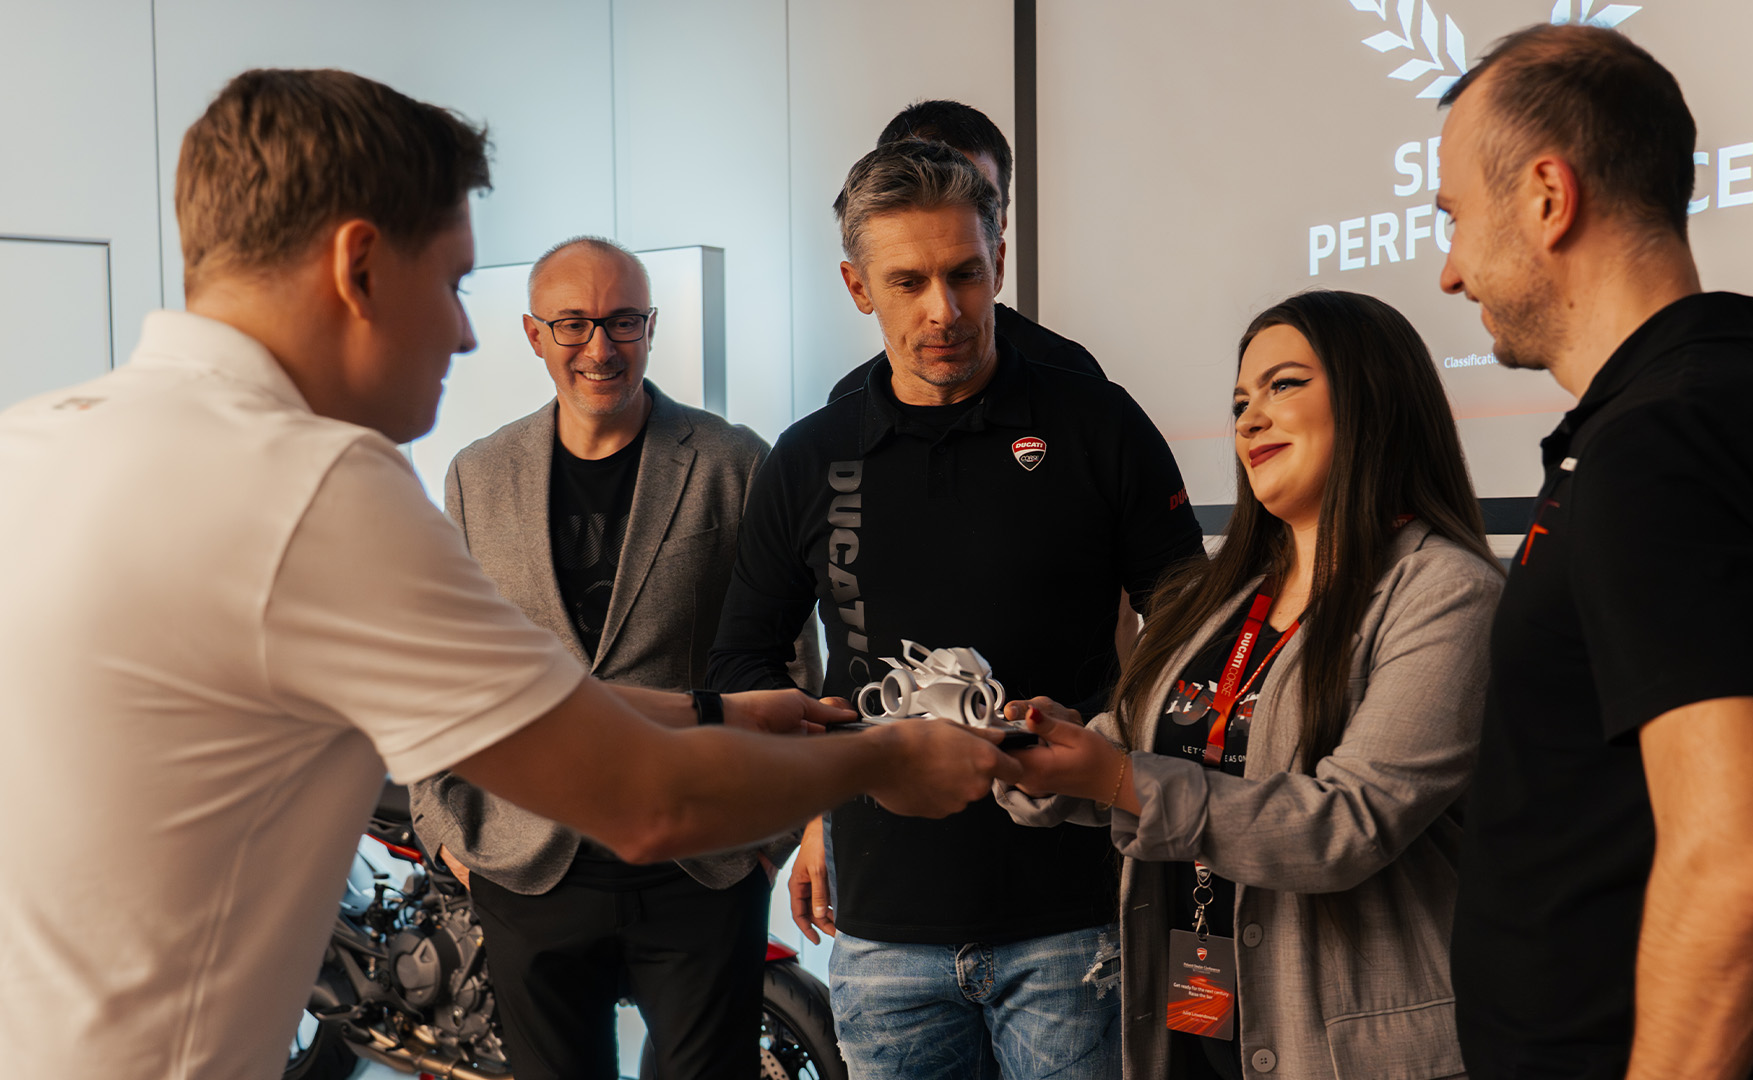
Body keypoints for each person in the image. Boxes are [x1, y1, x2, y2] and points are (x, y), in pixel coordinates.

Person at [0, 68, 1022, 1080]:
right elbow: (647, 801)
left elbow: (515, 700)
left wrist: (712, 709)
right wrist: (884, 760)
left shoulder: (31, 444)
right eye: (453, 283)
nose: (465, 332)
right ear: (359, 266)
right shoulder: (315, 486)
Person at [706, 138, 1204, 1079]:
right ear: (858, 287)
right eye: (909, 282)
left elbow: (1195, 637)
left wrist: (1111, 745)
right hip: (883, 932)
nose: (944, 310)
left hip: (1074, 918)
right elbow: (741, 661)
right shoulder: (810, 457)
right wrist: (826, 776)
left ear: (999, 263)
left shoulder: (1098, 425)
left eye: (965, 274)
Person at [1434, 25, 1753, 1080]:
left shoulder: (1664, 442)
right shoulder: (1680, 417)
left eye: (1455, 218)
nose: (1449, 272)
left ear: (1548, 197)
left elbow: (1744, 859)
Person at [996, 290, 1503, 1079]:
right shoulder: (1217, 595)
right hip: (1200, 1025)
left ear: (1373, 397)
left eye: (1283, 385)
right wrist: (1035, 750)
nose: (1249, 420)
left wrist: (1118, 778)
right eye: (1239, 402)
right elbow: (1134, 746)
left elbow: (1348, 823)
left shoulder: (1449, 591)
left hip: (1354, 1057)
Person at [409, 235, 819, 1080]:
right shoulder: (477, 476)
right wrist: (447, 830)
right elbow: (440, 666)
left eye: (624, 321)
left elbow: (787, 658)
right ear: (534, 334)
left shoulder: (734, 462)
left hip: (700, 859)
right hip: (527, 862)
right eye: (574, 324)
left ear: (651, 327)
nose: (600, 348)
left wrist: (772, 836)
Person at [825, 99, 1102, 402]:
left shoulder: (1071, 379)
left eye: (976, 194)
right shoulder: (849, 400)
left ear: (999, 225)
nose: (944, 313)